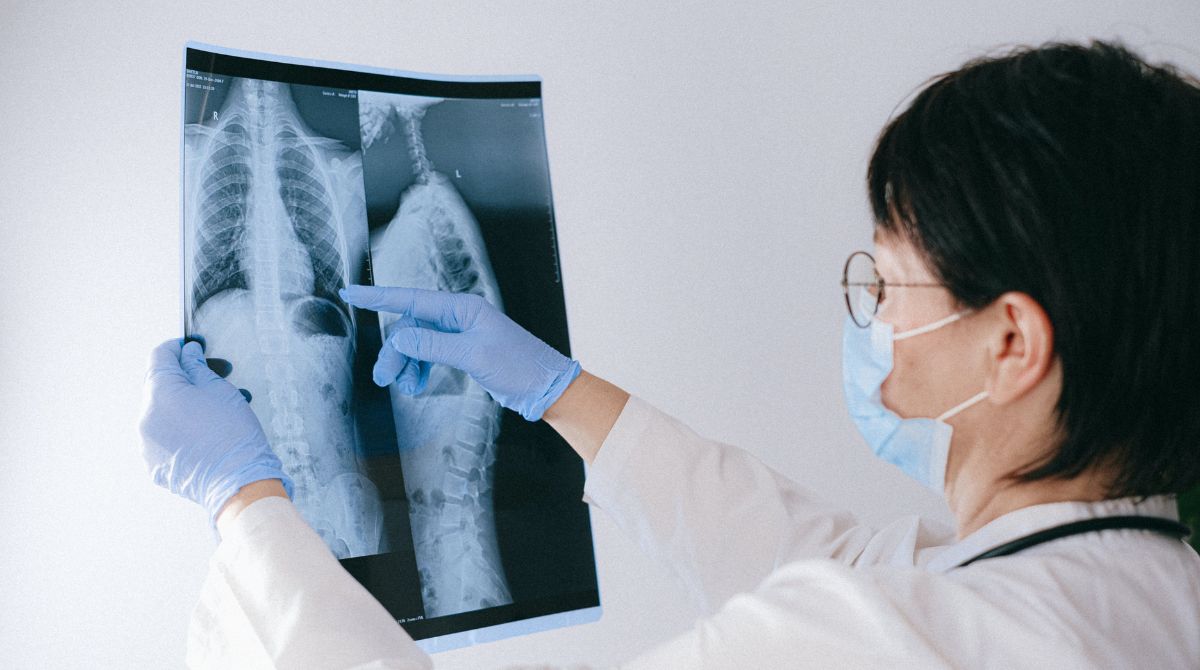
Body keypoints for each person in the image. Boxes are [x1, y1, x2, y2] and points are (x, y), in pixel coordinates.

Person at [140, 39, 1200, 668]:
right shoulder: (1150, 593)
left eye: (886, 285)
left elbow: (854, 619)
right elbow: (839, 568)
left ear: (1011, 343)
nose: (869, 318)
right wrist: (558, 390)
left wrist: (250, 507)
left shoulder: (892, 638)